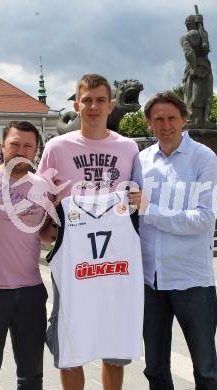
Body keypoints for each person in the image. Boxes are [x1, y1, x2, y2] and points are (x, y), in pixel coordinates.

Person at [37, 73, 143, 390]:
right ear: (76, 105)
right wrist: (45, 230)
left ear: (110, 105)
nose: (93, 106)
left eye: (100, 100)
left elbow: (141, 197)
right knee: (71, 341)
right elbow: (41, 195)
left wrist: (142, 201)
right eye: (87, 100)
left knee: (113, 343)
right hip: (73, 253)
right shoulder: (57, 146)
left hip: (116, 255)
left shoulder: (128, 148)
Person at [132, 90, 217, 389]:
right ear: (149, 124)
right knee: (155, 369)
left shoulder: (204, 158)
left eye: (171, 118)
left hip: (191, 279)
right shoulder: (140, 161)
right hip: (149, 280)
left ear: (184, 119)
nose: (165, 125)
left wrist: (149, 210)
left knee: (206, 370)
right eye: (158, 119)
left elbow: (204, 219)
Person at [0, 121, 49, 389]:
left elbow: (43, 235)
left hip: (30, 293)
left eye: (28, 146)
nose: (21, 150)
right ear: (2, 146)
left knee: (31, 377)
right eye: (15, 144)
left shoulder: (42, 186)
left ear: (35, 150)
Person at [180, 13, 213, 127]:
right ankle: (204, 119)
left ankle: (195, 119)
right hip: (205, 67)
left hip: (195, 67)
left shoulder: (186, 36)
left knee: (193, 96)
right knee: (204, 95)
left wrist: (194, 68)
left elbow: (189, 53)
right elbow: (204, 49)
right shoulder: (202, 34)